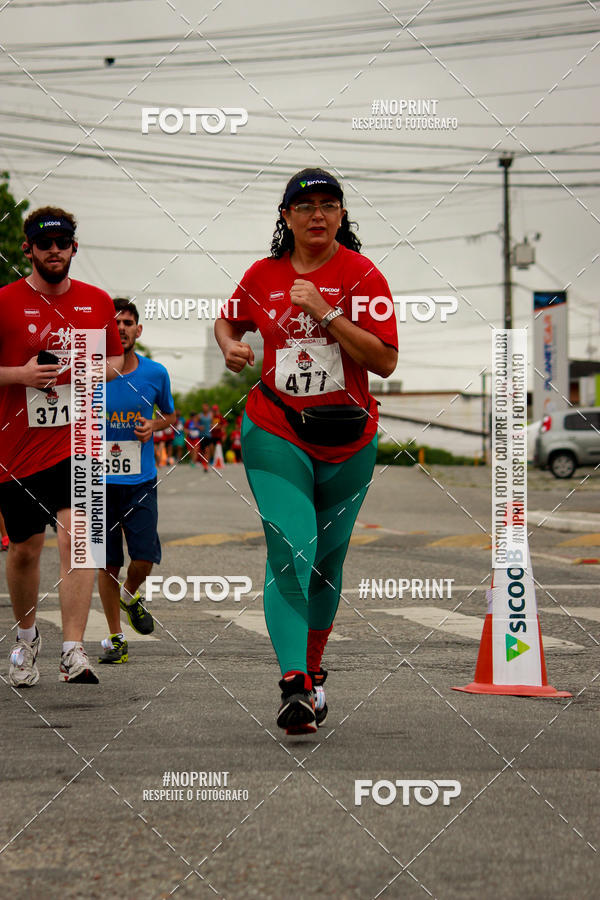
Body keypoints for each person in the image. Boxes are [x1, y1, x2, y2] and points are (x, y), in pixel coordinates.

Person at [215, 167, 398, 734]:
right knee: (292, 544)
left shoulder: (363, 276)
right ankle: (294, 682)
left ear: (342, 215)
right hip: (276, 427)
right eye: (305, 205)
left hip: (349, 437)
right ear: (286, 216)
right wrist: (231, 347)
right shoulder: (262, 275)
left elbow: (385, 361)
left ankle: (315, 675)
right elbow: (227, 321)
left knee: (328, 561)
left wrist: (325, 310)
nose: (317, 214)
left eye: (329, 204)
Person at [0, 206, 124, 685]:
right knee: (26, 548)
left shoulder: (96, 301)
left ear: (75, 246)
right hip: (17, 447)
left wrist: (92, 369)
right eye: (44, 242)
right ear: (28, 248)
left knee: (80, 538)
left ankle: (73, 649)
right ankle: (27, 639)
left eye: (63, 241)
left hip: (81, 439)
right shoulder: (6, 301)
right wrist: (21, 375)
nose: (55, 250)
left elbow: (116, 357)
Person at [98, 299, 176, 664]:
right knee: (107, 563)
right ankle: (115, 638)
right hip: (97, 481)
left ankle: (131, 596)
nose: (122, 329)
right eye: (115, 324)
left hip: (140, 481)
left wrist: (153, 425)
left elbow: (171, 416)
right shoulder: (90, 375)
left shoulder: (155, 374)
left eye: (127, 323)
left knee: (143, 558)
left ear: (138, 330)